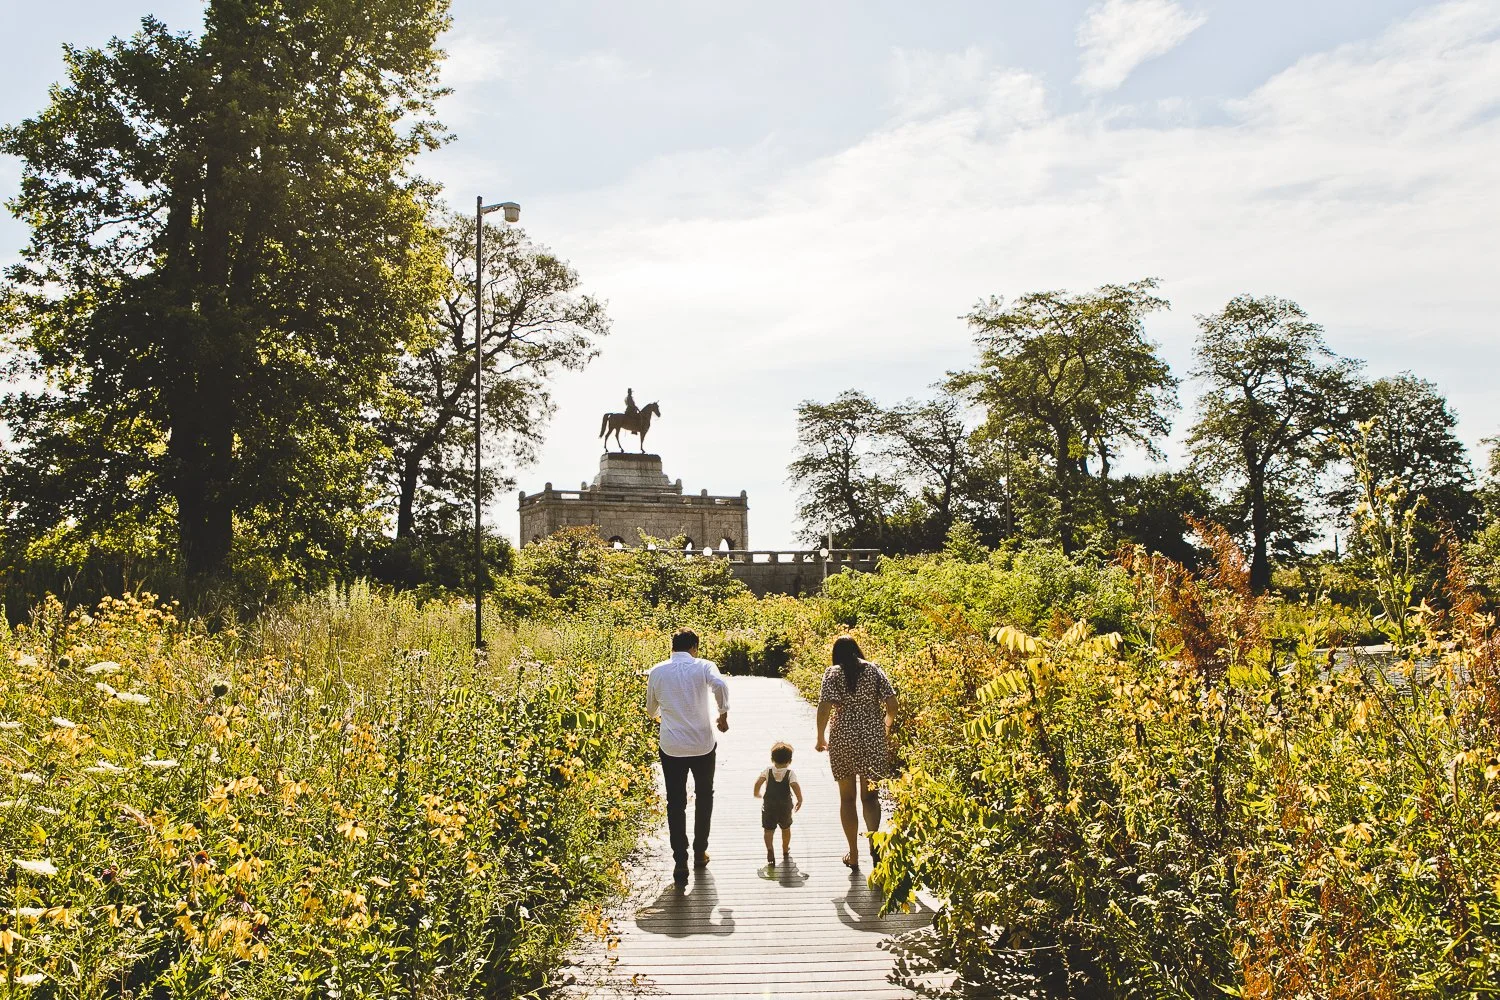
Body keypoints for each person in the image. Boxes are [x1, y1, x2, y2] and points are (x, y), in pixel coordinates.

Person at [646, 628, 729, 886]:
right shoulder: (704, 666)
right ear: (694, 647)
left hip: (672, 746)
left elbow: (651, 710)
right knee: (704, 795)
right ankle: (700, 852)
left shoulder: (657, 671)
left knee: (675, 802)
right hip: (702, 744)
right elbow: (720, 685)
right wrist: (723, 714)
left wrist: (664, 713)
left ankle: (680, 859)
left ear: (672, 647)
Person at [815, 635, 898, 871]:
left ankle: (853, 854)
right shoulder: (874, 670)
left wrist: (820, 736)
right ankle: (875, 846)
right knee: (870, 798)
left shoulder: (832, 673)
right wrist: (886, 726)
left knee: (847, 798)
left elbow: (824, 706)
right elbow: (892, 704)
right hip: (872, 738)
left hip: (843, 738)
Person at [753, 741, 803, 866]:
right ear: (789, 761)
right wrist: (799, 798)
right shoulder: (790, 773)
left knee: (768, 830)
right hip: (785, 807)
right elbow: (794, 785)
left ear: (772, 759)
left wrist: (756, 793)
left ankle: (770, 849)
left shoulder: (768, 771)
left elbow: (758, 782)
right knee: (786, 829)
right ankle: (785, 849)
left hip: (769, 806)